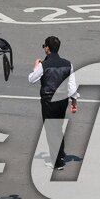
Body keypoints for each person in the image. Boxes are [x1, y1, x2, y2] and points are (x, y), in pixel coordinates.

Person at [28, 35, 79, 170]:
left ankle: (57, 162)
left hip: (48, 101)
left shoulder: (44, 65)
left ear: (47, 49)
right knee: (57, 127)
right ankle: (60, 153)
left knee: (51, 130)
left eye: (44, 46)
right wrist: (74, 101)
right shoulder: (68, 64)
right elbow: (72, 87)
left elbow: (31, 79)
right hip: (62, 100)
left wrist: (36, 66)